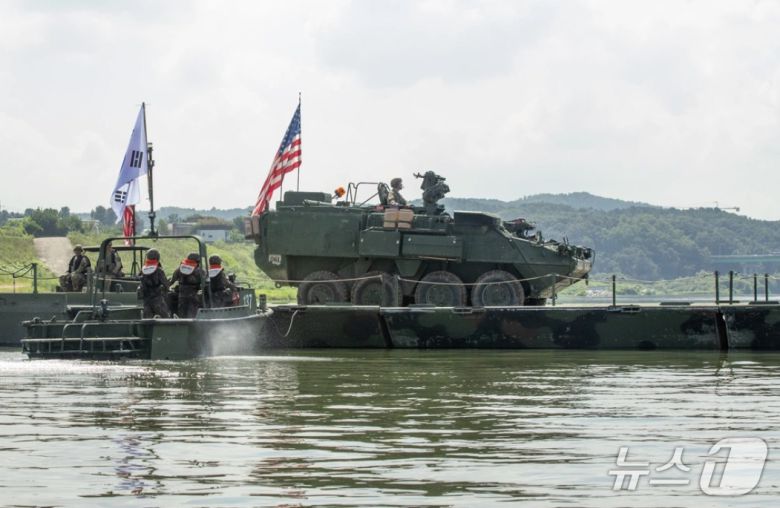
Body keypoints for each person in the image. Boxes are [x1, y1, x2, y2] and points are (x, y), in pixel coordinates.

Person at [169, 252, 204, 318]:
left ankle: (182, 326)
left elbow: (171, 281)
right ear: (197, 261)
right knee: (192, 315)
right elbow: (205, 283)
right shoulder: (199, 270)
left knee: (182, 314)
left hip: (181, 296)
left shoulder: (180, 269)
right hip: (193, 296)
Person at [137, 249, 170, 318]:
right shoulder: (159, 270)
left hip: (146, 301)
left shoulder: (143, 270)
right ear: (157, 257)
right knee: (166, 318)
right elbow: (166, 285)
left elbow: (139, 278)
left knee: (147, 321)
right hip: (157, 300)